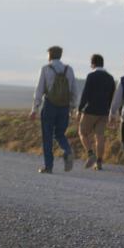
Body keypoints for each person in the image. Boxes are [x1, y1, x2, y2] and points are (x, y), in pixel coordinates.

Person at [30, 46, 79, 174]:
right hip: (64, 107)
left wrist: (34, 108)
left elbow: (39, 89)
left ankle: (48, 166)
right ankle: (67, 151)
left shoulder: (46, 69)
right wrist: (73, 107)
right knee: (59, 134)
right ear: (60, 55)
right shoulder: (69, 70)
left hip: (50, 105)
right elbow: (74, 90)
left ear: (50, 55)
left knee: (47, 137)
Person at [77, 54, 116, 171]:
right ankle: (99, 162)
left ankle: (90, 153)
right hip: (104, 111)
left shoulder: (91, 76)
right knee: (100, 136)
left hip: (90, 110)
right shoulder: (110, 78)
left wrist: (80, 109)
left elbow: (85, 94)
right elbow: (112, 96)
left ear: (93, 63)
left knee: (82, 132)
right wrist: (111, 111)